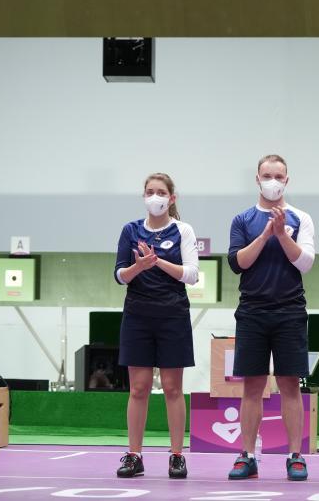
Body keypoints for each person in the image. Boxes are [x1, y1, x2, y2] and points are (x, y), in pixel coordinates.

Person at [226, 154, 316, 481]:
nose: (273, 181)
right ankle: (247, 456)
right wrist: (265, 234)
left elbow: (305, 263)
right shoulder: (242, 220)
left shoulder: (301, 218)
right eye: (267, 175)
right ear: (257, 179)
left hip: (290, 311)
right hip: (252, 312)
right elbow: (239, 263)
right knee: (253, 386)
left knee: (290, 384)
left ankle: (295, 456)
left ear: (287, 180)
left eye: (279, 175)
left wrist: (283, 235)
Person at [113, 172, 199, 479]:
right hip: (137, 315)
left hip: (173, 315)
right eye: (150, 192)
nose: (155, 197)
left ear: (172, 198)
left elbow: (192, 274)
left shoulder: (182, 230)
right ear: (144, 197)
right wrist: (138, 266)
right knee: (138, 388)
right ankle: (134, 455)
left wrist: (158, 261)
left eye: (161, 192)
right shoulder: (130, 230)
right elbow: (119, 275)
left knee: (174, 388)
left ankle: (177, 455)